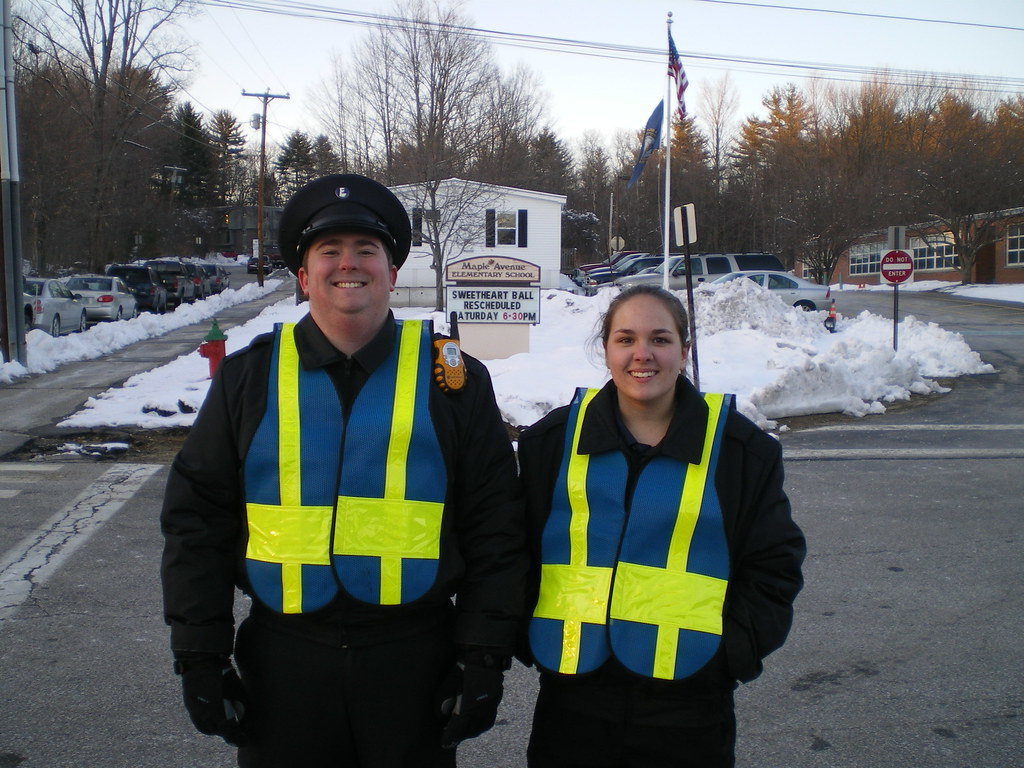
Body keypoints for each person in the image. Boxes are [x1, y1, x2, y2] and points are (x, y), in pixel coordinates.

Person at [160, 173, 526, 767]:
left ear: (392, 271)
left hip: (414, 664)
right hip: (284, 666)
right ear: (304, 278)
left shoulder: (453, 382)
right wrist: (199, 653)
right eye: (328, 251)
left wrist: (483, 655)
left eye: (366, 250)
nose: (347, 264)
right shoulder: (247, 380)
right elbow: (196, 523)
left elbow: (496, 526)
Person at [517, 284, 805, 767]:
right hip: (572, 706)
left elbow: (774, 568)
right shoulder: (551, 443)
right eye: (625, 339)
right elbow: (513, 551)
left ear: (684, 351)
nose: (642, 354)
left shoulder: (742, 451)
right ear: (605, 349)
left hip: (689, 712)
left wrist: (728, 657)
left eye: (661, 339)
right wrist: (529, 637)